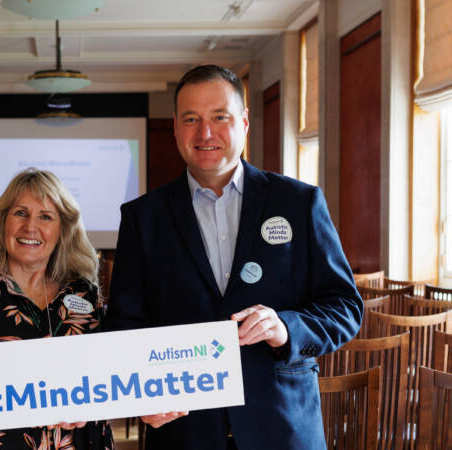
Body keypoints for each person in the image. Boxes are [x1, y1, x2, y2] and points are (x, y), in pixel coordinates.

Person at [104, 65, 363, 449]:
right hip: (184, 433)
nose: (205, 133)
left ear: (243, 122)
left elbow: (344, 308)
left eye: (219, 117)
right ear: (175, 127)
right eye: (191, 119)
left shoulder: (299, 202)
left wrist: (286, 327)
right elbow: (124, 323)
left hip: (283, 427)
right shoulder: (143, 218)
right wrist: (140, 395)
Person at [0, 168, 114, 450]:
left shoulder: (82, 292)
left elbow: (103, 369)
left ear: (63, 229)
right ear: (3, 220)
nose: (30, 227)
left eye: (45, 217)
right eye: (21, 213)